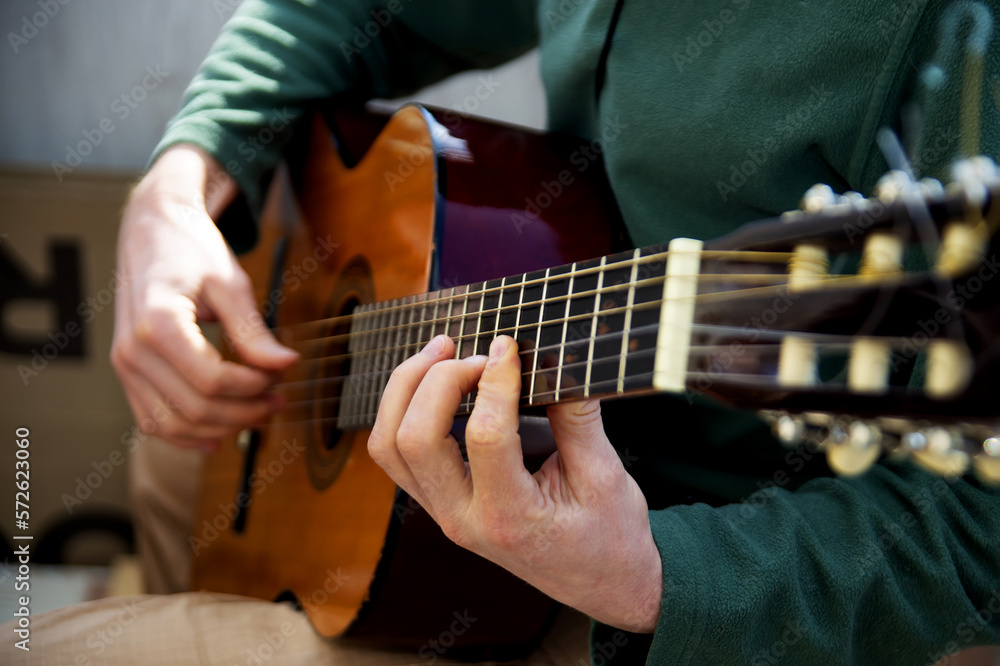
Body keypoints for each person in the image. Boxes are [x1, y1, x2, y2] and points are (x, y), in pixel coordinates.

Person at [102, 0, 1000, 664]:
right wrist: (184, 177)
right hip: (507, 384)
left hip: (698, 571)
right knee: (176, 446)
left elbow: (979, 537)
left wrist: (654, 580)